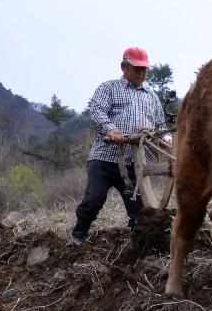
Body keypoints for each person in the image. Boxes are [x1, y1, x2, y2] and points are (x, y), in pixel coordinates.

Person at [69, 47, 167, 245]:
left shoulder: (152, 96)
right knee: (94, 199)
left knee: (139, 210)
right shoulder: (109, 88)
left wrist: (164, 139)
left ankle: (138, 247)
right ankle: (78, 236)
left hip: (136, 163)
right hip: (105, 158)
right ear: (124, 67)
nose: (142, 73)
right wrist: (111, 129)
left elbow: (160, 126)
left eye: (145, 69)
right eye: (137, 68)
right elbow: (97, 111)